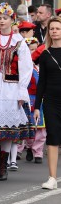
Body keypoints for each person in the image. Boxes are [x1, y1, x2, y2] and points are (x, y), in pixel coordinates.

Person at [0, 2, 33, 181]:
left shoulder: (18, 41)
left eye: (5, 18)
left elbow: (26, 67)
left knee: (7, 128)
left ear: (12, 20)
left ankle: (3, 163)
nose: (1, 21)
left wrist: (22, 90)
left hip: (11, 88)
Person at [34, 16, 61, 190]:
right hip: (51, 101)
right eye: (52, 29)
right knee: (52, 137)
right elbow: (41, 82)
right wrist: (37, 106)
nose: (54, 31)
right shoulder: (44, 54)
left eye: (57, 28)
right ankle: (52, 178)